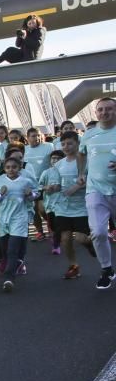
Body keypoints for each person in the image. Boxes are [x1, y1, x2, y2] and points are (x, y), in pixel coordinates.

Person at [77, 97, 116, 289]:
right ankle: (107, 269)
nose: (104, 113)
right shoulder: (89, 134)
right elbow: (81, 154)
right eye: (100, 110)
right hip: (95, 189)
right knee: (99, 232)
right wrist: (81, 173)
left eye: (109, 109)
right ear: (96, 113)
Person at [48, 133, 96, 278]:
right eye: (63, 144)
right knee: (65, 239)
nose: (66, 147)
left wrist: (74, 188)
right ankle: (73, 266)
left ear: (78, 143)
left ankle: (90, 244)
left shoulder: (86, 161)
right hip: (63, 208)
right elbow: (56, 185)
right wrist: (52, 189)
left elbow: (91, 180)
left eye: (69, 144)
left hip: (82, 207)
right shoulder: (58, 164)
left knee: (81, 238)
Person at [0, 157, 39, 291]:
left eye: (14, 167)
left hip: (19, 218)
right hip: (3, 219)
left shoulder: (26, 181)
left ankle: (9, 278)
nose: (11, 169)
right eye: (8, 167)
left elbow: (35, 195)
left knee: (12, 249)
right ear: (4, 168)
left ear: (20, 167)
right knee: (5, 251)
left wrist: (30, 194)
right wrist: (0, 194)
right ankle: (18, 262)